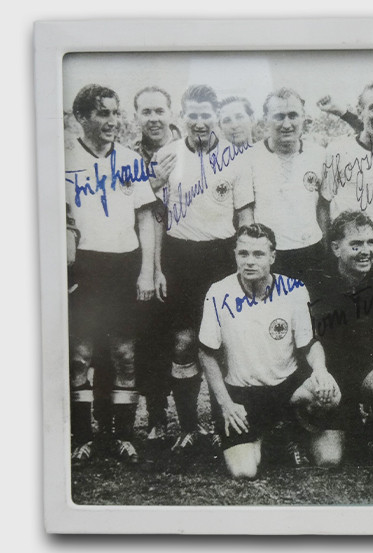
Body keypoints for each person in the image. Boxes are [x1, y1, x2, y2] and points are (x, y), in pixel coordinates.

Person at [198, 224, 340, 479]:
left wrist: (321, 370)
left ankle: (291, 425)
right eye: (243, 254)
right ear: (235, 255)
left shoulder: (294, 289)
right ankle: (271, 436)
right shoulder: (218, 292)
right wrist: (226, 404)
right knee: (244, 471)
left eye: (258, 254)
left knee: (330, 442)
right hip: (243, 395)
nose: (250, 261)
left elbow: (309, 343)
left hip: (287, 388)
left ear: (273, 257)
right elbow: (206, 353)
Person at [141, 84, 237, 454]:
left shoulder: (235, 156)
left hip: (222, 257)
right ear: (184, 116)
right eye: (192, 115)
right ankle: (189, 428)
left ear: (216, 116)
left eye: (206, 114)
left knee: (222, 344)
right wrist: (159, 268)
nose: (199, 122)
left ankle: (221, 424)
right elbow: (159, 218)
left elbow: (243, 213)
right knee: (183, 343)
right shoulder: (166, 156)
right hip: (180, 256)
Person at [65, 84, 158, 463]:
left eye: (116, 113)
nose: (112, 121)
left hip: (124, 264)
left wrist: (147, 272)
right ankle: (82, 437)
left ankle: (123, 435)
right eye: (103, 113)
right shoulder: (63, 158)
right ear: (82, 118)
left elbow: (145, 218)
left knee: (124, 353)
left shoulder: (130, 158)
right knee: (80, 354)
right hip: (84, 265)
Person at [307, 211, 373, 464]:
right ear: (335, 248)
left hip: (372, 371)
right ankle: (326, 427)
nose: (366, 251)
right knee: (328, 459)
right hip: (331, 377)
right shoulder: (315, 281)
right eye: (355, 245)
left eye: (371, 242)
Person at [229, 88, 326, 284]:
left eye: (293, 115)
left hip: (311, 252)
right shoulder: (248, 158)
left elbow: (324, 206)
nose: (287, 124)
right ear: (265, 119)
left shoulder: (320, 155)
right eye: (279, 116)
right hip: (270, 258)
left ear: (304, 118)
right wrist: (252, 259)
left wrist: (324, 248)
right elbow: (245, 214)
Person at [321, 81, 373, 266]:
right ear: (360, 111)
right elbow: (324, 203)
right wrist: (327, 248)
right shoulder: (337, 149)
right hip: (348, 236)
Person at [131, 86, 181, 168]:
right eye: (146, 113)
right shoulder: (129, 155)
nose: (153, 119)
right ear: (136, 118)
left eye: (159, 111)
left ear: (170, 115)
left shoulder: (186, 148)